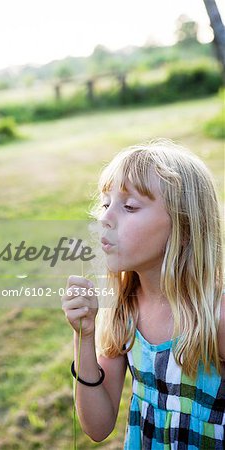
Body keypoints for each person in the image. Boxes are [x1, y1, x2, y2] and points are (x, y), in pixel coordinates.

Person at [61, 139, 225, 449]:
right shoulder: (124, 309)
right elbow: (97, 427)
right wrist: (83, 336)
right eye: (106, 203)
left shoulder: (216, 317)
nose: (105, 218)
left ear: (184, 227)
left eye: (129, 206)